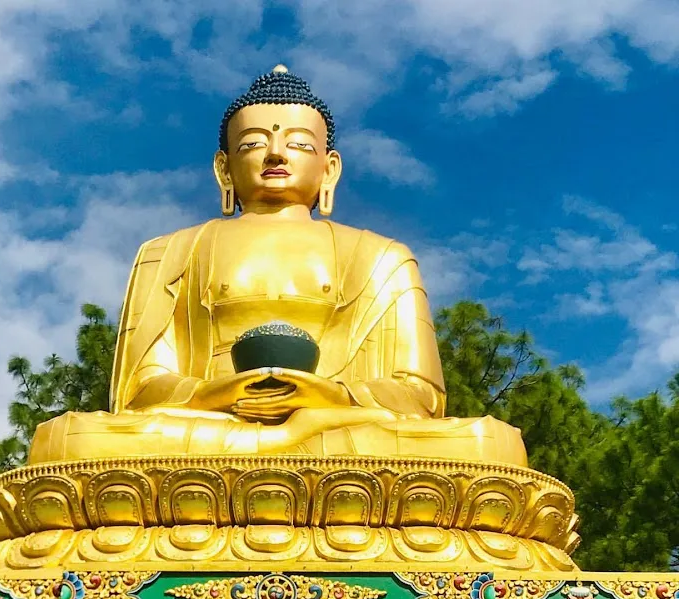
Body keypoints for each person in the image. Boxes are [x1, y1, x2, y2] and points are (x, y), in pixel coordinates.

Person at [29, 65, 526, 467]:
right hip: (207, 430)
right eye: (251, 144)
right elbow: (141, 391)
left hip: (337, 431)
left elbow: (417, 396)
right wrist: (213, 394)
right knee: (71, 442)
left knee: (488, 445)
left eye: (298, 143)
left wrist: (328, 397)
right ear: (223, 167)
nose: (274, 153)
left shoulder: (383, 256)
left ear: (329, 167)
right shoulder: (172, 251)